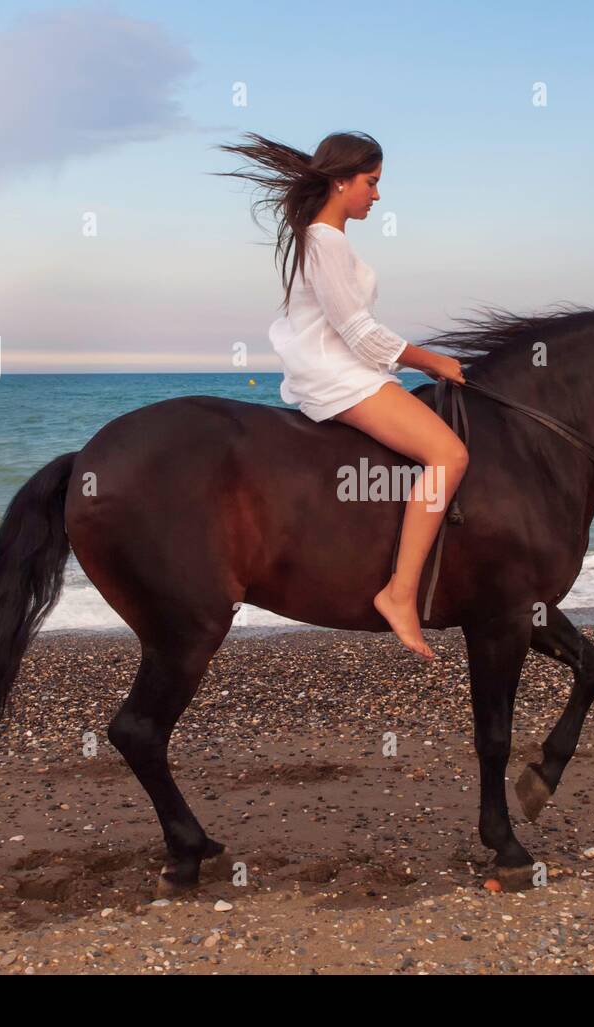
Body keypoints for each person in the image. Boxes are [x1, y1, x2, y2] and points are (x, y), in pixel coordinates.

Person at [214, 131, 468, 660]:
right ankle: (399, 593)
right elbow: (360, 333)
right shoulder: (326, 241)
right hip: (340, 375)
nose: (377, 196)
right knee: (448, 454)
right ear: (340, 181)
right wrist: (434, 361)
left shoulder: (326, 239)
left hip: (346, 370)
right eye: (371, 183)